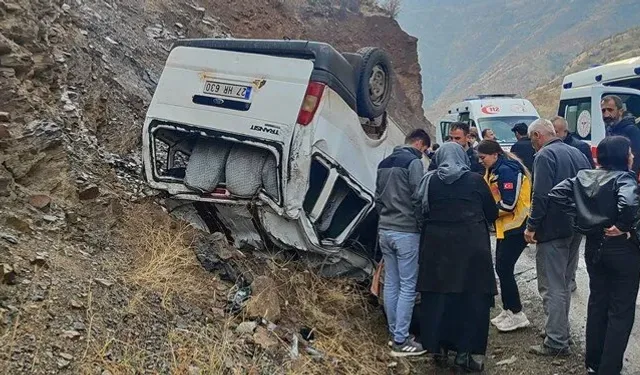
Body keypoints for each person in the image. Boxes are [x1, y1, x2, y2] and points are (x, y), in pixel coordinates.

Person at [549, 136, 640, 375]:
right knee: (620, 310)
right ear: (623, 156)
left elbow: (556, 194)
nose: (632, 156)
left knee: (598, 302)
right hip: (621, 247)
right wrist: (623, 225)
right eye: (629, 152)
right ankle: (609, 369)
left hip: (594, 245)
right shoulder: (624, 177)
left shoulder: (583, 176)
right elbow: (630, 204)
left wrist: (583, 220)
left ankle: (593, 363)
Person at [413, 142, 498, 371]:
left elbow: (419, 211)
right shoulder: (475, 180)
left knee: (438, 299)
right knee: (471, 300)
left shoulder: (429, 181)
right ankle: (465, 353)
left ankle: (438, 347)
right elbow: (492, 212)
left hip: (436, 248)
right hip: (471, 248)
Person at [524, 119, 591, 356]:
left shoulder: (544, 156)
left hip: (552, 229)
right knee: (564, 282)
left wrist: (531, 226)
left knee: (551, 285)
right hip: (576, 227)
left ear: (538, 136)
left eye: (532, 138)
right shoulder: (578, 154)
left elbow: (540, 195)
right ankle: (558, 329)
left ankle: (556, 341)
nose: (531, 143)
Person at [374, 128, 430, 357]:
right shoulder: (413, 163)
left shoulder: (384, 163)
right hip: (406, 232)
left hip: (385, 229)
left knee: (392, 284)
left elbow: (376, 197)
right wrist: (421, 225)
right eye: (424, 150)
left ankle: (394, 332)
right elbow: (419, 197)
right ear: (419, 144)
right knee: (408, 285)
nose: (423, 155)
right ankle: (401, 340)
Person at [477, 140, 532, 332]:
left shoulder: (507, 170)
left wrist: (486, 213)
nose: (480, 161)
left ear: (494, 155)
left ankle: (517, 313)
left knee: (504, 267)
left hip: (517, 225)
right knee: (501, 267)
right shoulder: (494, 170)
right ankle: (509, 309)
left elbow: (509, 203)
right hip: (505, 226)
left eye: (483, 157)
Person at [552, 115, 593, 294]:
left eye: (556, 132)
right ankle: (565, 280)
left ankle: (571, 278)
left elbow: (589, 173)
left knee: (572, 246)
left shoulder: (580, 147)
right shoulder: (551, 149)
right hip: (562, 200)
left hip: (575, 201)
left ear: (564, 131)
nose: (553, 135)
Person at [602, 95, 640, 174]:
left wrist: (631, 178)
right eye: (603, 110)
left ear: (621, 111)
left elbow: (636, 158)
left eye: (610, 110)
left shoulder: (631, 130)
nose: (606, 114)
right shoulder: (609, 130)